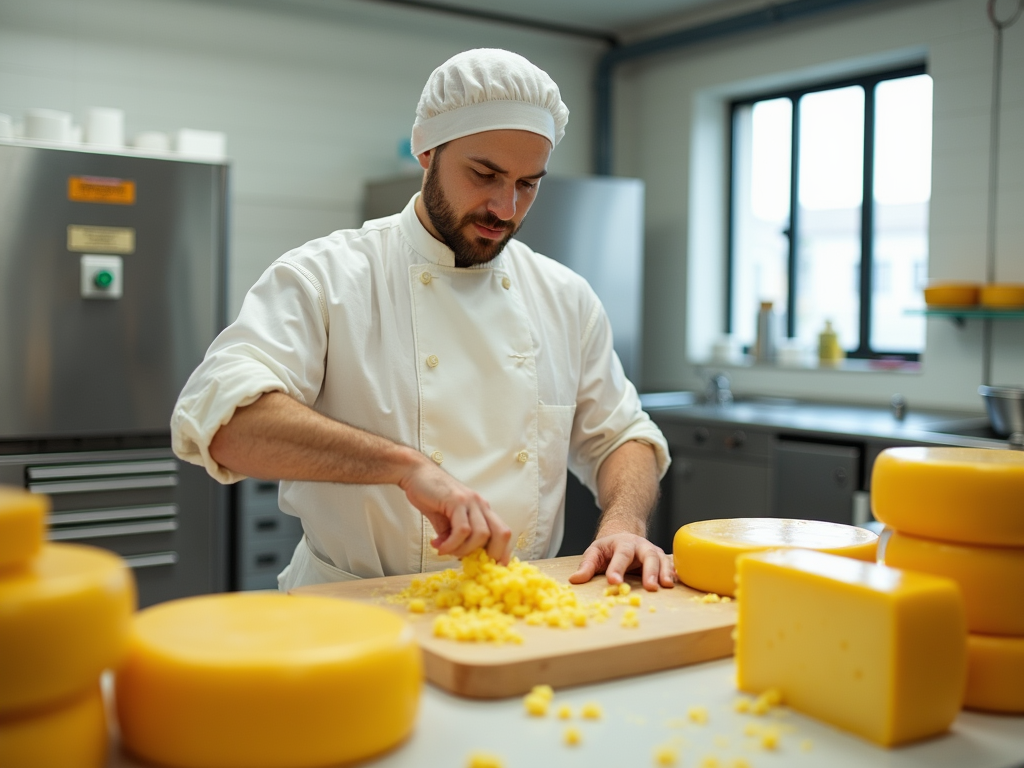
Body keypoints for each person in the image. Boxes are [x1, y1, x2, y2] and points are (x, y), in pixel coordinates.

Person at [171, 48, 673, 592]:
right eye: (485, 174)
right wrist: (407, 467)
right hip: (351, 612)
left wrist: (624, 523)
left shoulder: (564, 296)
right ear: (428, 151)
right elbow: (226, 424)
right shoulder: (327, 277)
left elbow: (623, 435)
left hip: (513, 609)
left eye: (528, 184)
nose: (505, 208)